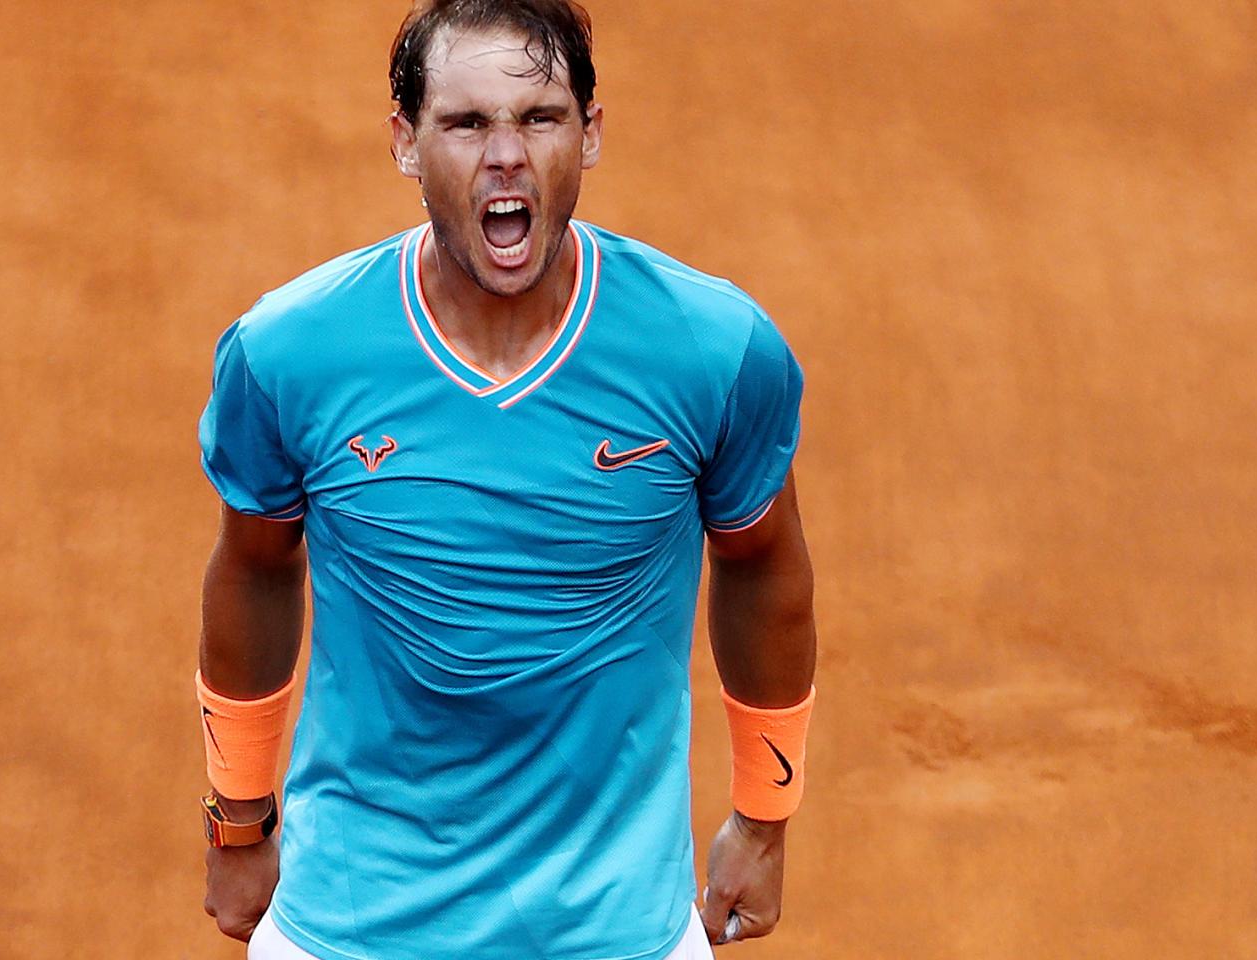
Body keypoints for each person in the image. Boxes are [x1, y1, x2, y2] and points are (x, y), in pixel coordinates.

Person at [195, 2, 818, 958]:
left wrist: (764, 819)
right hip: (350, 930)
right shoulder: (290, 353)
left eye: (539, 117)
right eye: (466, 122)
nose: (506, 156)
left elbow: (763, 563)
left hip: (620, 935)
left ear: (591, 132)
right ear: (406, 143)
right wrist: (238, 822)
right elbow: (254, 569)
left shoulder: (713, 352)